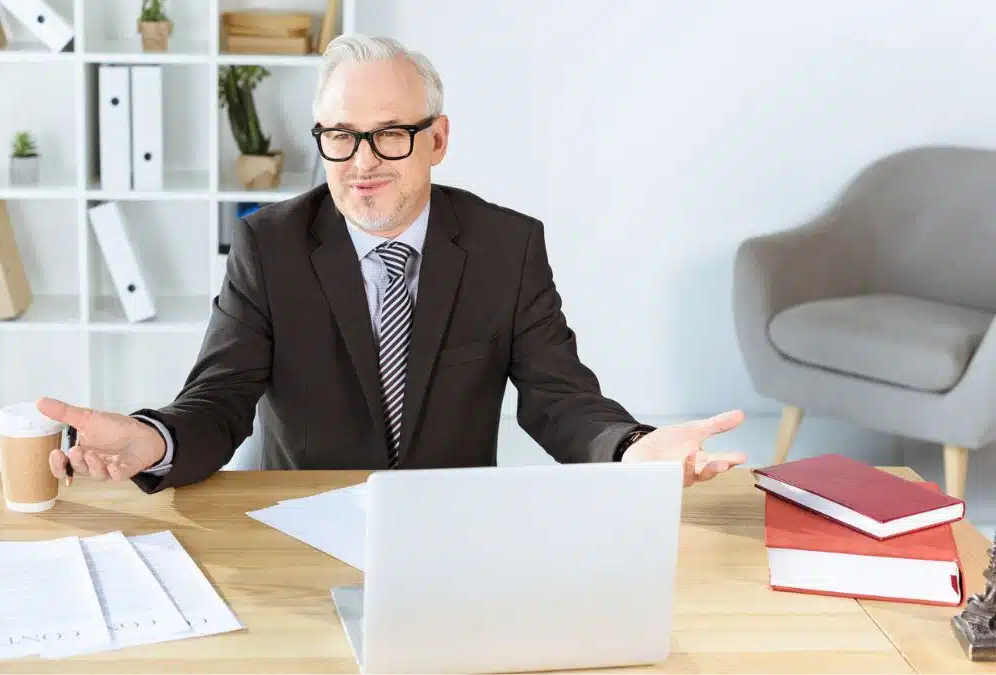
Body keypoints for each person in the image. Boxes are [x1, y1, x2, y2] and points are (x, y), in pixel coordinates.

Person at [36, 34, 747, 494]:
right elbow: (219, 402)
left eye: (391, 135)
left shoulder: (507, 247)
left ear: (437, 139)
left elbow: (559, 398)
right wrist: (150, 437)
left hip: (449, 528)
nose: (364, 163)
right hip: (301, 521)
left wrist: (633, 451)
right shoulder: (270, 246)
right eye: (341, 137)